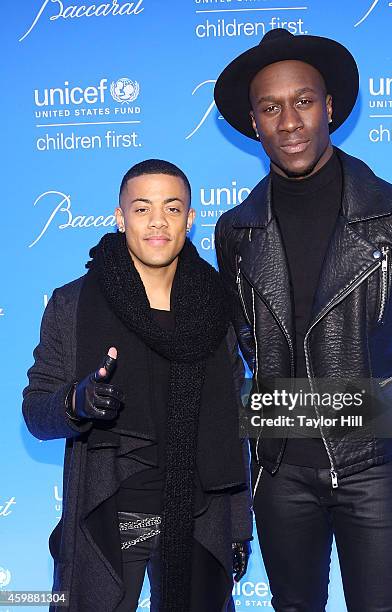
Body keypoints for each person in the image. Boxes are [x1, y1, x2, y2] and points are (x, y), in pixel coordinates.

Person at [213, 29, 392, 611]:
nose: (289, 121)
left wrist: (388, 409)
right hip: (277, 475)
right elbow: (239, 338)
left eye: (303, 101)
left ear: (330, 107)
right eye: (270, 107)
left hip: (372, 470)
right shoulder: (236, 232)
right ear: (253, 122)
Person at [23, 159, 252, 612]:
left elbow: (233, 425)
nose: (157, 222)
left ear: (189, 218)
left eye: (171, 208)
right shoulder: (73, 304)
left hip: (197, 519)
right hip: (114, 516)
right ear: (119, 216)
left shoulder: (216, 308)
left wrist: (239, 526)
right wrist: (77, 402)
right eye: (142, 208)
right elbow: (35, 412)